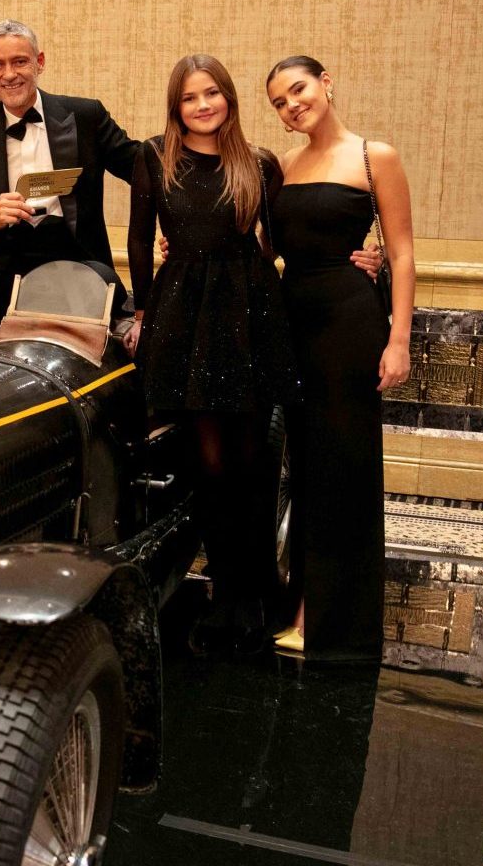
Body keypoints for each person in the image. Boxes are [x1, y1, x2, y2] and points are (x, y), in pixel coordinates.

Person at [124, 54, 293, 653]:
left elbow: (280, 238)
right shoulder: (154, 156)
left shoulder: (260, 164)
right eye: (191, 97)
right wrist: (142, 311)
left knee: (250, 467)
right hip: (181, 318)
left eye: (213, 94)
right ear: (177, 107)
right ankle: (225, 591)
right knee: (209, 467)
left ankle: (256, 594)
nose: (203, 105)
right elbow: (139, 238)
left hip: (247, 313)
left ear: (229, 99)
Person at [266, 55, 415, 660]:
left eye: (297, 89)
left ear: (326, 83)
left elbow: (401, 253)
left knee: (345, 464)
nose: (291, 104)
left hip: (350, 322)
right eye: (278, 101)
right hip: (292, 320)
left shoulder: (374, 156)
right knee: (303, 466)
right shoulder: (281, 167)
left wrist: (398, 338)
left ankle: (337, 621)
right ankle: (304, 601)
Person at [0, 20, 140, 325]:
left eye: (20, 61)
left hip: (72, 258)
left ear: (39, 62)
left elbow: (142, 168)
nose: (9, 74)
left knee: (103, 327)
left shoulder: (85, 116)